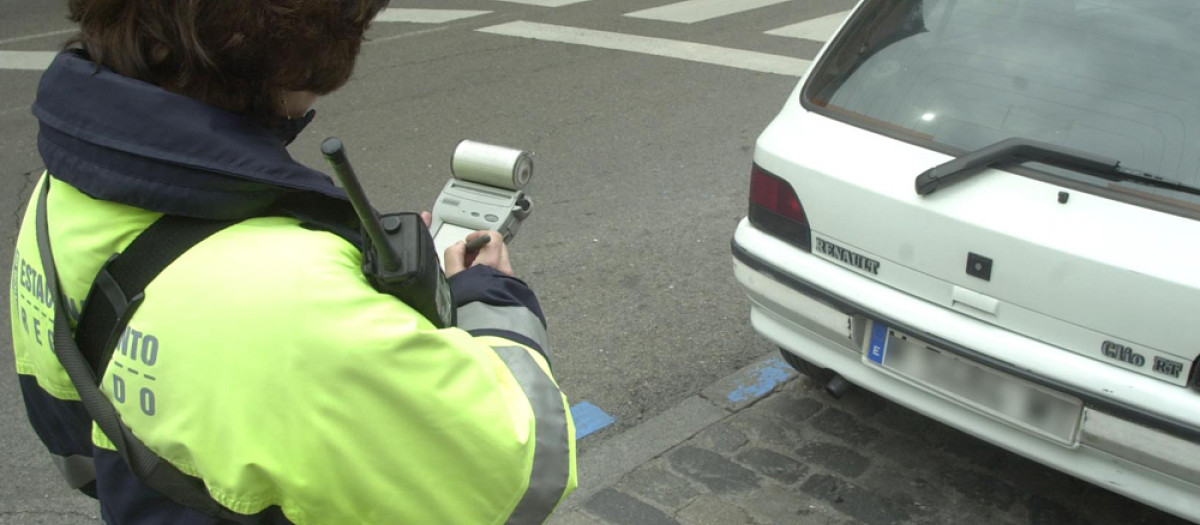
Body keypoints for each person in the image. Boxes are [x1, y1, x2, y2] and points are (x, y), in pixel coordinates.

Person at [9, 0, 577, 523]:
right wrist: (489, 299)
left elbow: (73, 441)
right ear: (288, 55)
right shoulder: (299, 298)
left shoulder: (57, 198)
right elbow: (520, 471)